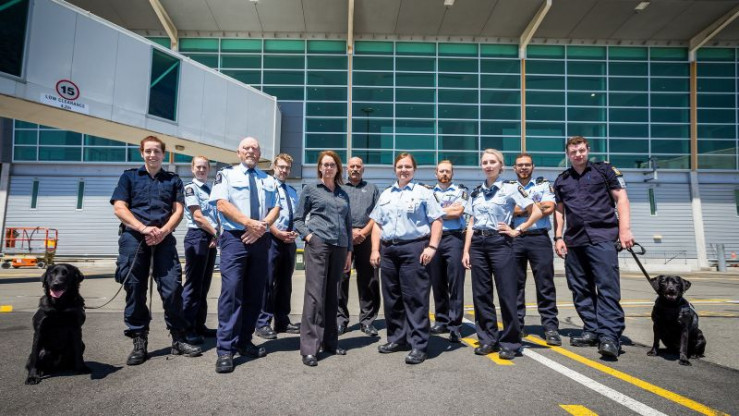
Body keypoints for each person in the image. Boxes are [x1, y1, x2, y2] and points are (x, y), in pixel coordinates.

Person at [111, 136, 202, 366]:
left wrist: (163, 231)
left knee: (173, 288)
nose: (153, 155)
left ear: (163, 154)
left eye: (157, 151)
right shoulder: (129, 177)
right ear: (142, 153)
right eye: (148, 151)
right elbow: (119, 207)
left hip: (164, 237)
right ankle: (139, 340)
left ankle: (178, 339)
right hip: (134, 237)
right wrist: (143, 228)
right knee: (135, 288)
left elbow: (178, 211)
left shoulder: (173, 180)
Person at [553, 136, 634, 359]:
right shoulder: (562, 180)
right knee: (580, 288)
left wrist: (625, 230)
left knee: (607, 288)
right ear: (568, 154)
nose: (578, 155)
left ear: (587, 150)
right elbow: (559, 210)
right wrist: (558, 237)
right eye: (573, 152)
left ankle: (609, 336)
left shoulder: (604, 171)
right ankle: (592, 329)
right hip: (574, 241)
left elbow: (621, 199)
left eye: (581, 150)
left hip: (603, 237)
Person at [461, 149, 543, 360]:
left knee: (507, 294)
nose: (488, 165)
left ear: (501, 166)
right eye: (485, 162)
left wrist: (518, 230)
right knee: (481, 295)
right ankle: (487, 339)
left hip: (500, 243)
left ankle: (511, 342)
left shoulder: (511, 187)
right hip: (478, 244)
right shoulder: (476, 192)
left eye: (492, 162)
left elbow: (536, 211)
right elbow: (471, 223)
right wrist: (466, 250)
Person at [209, 137, 280, 374]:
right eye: (246, 148)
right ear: (239, 153)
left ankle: (244, 341)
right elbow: (221, 204)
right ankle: (225, 350)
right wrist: (249, 223)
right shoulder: (227, 175)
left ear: (260, 154)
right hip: (234, 239)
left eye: (255, 148)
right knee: (231, 293)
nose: (251, 151)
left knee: (254, 293)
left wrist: (262, 226)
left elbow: (275, 207)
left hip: (260, 238)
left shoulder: (267, 179)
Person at [369, 153, 443, 365]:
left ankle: (419, 345)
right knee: (392, 297)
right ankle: (397, 338)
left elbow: (437, 220)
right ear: (395, 169)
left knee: (415, 298)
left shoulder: (423, 193)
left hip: (414, 248)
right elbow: (377, 224)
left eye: (408, 166)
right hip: (389, 250)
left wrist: (432, 246)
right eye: (400, 166)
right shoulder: (386, 194)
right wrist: (375, 250)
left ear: (414, 169)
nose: (404, 170)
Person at [294, 150, 353, 367]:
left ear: (338, 168)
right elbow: (298, 219)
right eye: (325, 164)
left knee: (333, 296)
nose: (328, 168)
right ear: (319, 167)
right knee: (314, 296)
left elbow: (348, 224)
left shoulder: (343, 194)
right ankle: (310, 348)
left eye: (332, 164)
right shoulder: (311, 190)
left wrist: (349, 252)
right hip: (319, 245)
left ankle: (330, 342)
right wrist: (309, 237)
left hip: (340, 247)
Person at [511, 153, 561, 346]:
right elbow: (508, 211)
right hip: (515, 238)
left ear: (532, 167)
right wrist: (535, 208)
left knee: (545, 284)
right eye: (520, 165)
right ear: (514, 168)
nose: (523, 168)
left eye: (527, 165)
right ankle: (517, 326)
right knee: (515, 285)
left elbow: (549, 207)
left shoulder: (543, 185)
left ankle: (550, 327)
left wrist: (521, 209)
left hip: (539, 239)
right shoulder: (508, 188)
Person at [255, 153, 301, 339]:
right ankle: (262, 323)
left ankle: (282, 320)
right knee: (267, 281)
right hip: (271, 239)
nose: (284, 170)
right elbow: (265, 214)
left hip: (289, 241)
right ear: (274, 167)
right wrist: (276, 232)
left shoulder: (292, 191)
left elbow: (296, 215)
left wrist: (294, 232)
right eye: (281, 167)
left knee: (285, 282)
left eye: (287, 168)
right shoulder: (266, 187)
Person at [337, 156, 381, 337]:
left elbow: (377, 215)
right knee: (340, 280)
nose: (355, 169)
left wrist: (363, 233)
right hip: (343, 239)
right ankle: (340, 320)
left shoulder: (372, 189)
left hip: (366, 238)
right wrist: (350, 232)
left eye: (358, 166)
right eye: (352, 166)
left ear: (363, 169)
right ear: (347, 169)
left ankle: (367, 321)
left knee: (369, 281)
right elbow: (335, 213)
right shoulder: (338, 188)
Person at [428, 160, 468, 343]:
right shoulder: (428, 192)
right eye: (441, 171)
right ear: (435, 173)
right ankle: (441, 320)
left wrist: (436, 211)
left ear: (452, 173)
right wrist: (447, 209)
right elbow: (427, 213)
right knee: (437, 282)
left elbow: (458, 212)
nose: (444, 174)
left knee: (455, 283)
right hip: (434, 239)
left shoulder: (461, 190)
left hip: (454, 238)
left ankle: (455, 326)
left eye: (448, 171)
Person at [182, 156, 220, 345]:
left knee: (204, 285)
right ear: (192, 169)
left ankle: (199, 325)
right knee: (193, 286)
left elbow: (215, 215)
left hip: (210, 237)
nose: (201, 170)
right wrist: (216, 234)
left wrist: (215, 235)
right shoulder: (191, 188)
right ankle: (187, 329)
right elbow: (198, 216)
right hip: (197, 237)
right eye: (198, 167)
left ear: (209, 169)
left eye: (204, 167)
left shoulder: (211, 190)